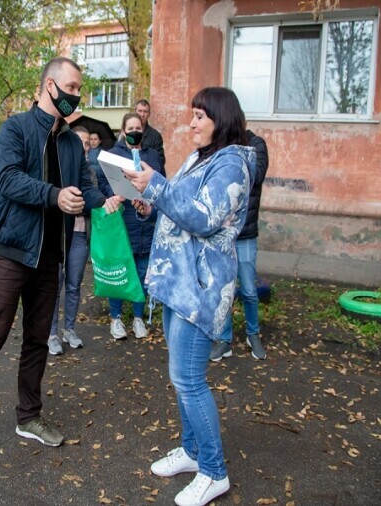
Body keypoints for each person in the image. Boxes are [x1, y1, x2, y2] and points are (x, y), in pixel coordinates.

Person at [0, 57, 122, 451]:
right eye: (72, 87)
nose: (77, 95)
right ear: (49, 87)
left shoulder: (71, 142)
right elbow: (9, 181)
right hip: (12, 252)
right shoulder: (15, 129)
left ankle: (28, 416)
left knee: (37, 339)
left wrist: (104, 201)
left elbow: (84, 185)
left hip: (49, 257)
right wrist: (54, 196)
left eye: (79, 89)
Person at [124, 87, 255, 506]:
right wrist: (149, 201)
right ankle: (193, 452)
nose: (192, 123)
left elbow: (203, 217)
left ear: (222, 118)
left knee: (190, 380)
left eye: (200, 115)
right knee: (181, 377)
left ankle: (214, 472)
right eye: (192, 115)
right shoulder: (202, 158)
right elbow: (178, 205)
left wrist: (157, 186)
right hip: (176, 283)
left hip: (201, 288)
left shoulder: (232, 163)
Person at [96, 112, 164, 340]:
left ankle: (137, 318)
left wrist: (149, 199)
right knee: (121, 269)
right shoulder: (113, 155)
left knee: (142, 272)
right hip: (123, 221)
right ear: (123, 131)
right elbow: (103, 181)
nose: (134, 132)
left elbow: (161, 181)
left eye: (138, 128)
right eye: (130, 128)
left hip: (145, 222)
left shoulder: (152, 156)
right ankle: (115, 318)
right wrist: (114, 195)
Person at [210, 121, 269, 362]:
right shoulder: (222, 145)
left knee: (248, 289)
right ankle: (224, 341)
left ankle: (252, 334)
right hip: (225, 232)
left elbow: (256, 175)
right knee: (225, 290)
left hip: (245, 233)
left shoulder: (256, 145)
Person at [47, 126, 95, 355]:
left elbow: (92, 195)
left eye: (87, 143)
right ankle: (51, 333)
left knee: (74, 285)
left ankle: (70, 330)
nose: (83, 146)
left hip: (79, 234)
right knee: (55, 284)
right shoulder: (59, 165)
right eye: (80, 141)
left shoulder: (89, 171)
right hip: (59, 234)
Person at [134, 99, 166, 168]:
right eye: (140, 111)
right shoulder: (128, 132)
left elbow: (160, 160)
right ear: (135, 111)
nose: (142, 114)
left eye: (145, 112)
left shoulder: (155, 136)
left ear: (149, 114)